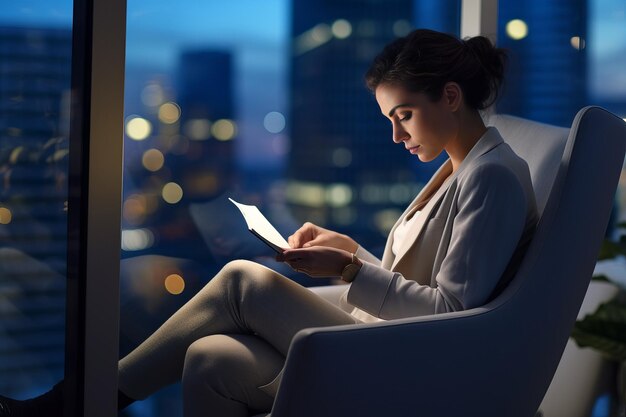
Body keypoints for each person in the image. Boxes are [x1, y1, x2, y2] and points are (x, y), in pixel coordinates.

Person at [0, 28, 538, 417]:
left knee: (242, 279)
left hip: (413, 362)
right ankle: (89, 398)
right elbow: (423, 280)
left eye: (404, 115)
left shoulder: (490, 178)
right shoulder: (459, 168)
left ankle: (82, 401)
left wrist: (349, 270)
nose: (397, 136)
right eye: (390, 120)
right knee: (210, 359)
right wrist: (349, 249)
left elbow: (451, 313)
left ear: (450, 96)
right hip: (391, 339)